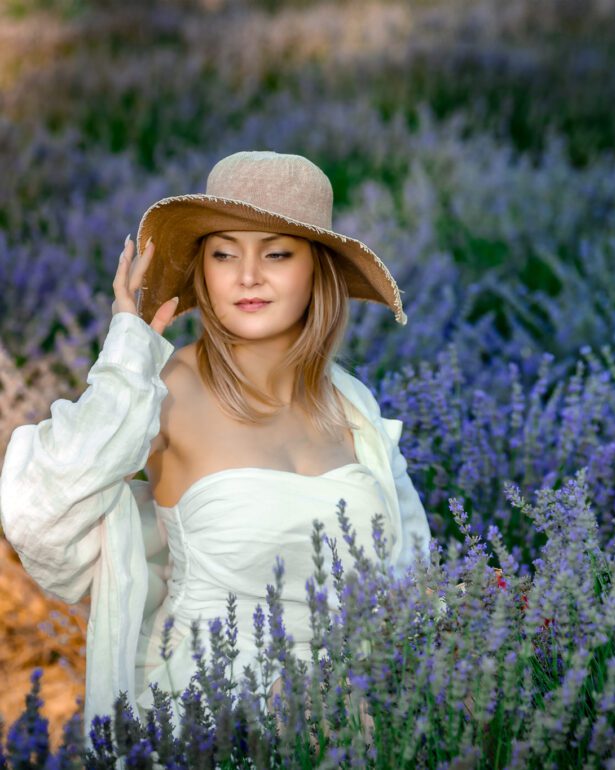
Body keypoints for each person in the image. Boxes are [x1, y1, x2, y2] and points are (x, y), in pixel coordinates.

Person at [0, 150, 431, 746]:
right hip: (206, 725)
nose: (247, 275)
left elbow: (414, 575)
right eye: (224, 253)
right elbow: (40, 512)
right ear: (203, 269)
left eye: (277, 253)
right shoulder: (169, 391)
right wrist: (125, 362)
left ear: (318, 271)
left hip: (351, 730)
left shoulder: (353, 405)